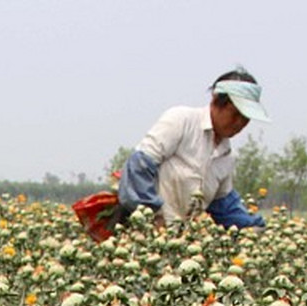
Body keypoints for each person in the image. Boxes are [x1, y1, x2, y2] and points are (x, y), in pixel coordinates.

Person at [115, 68, 269, 230]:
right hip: (144, 234)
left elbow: (224, 207)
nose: (240, 123)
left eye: (246, 118)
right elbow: (138, 168)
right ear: (216, 101)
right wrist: (152, 217)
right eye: (235, 114)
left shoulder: (226, 155)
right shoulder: (181, 121)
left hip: (180, 240)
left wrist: (253, 227)